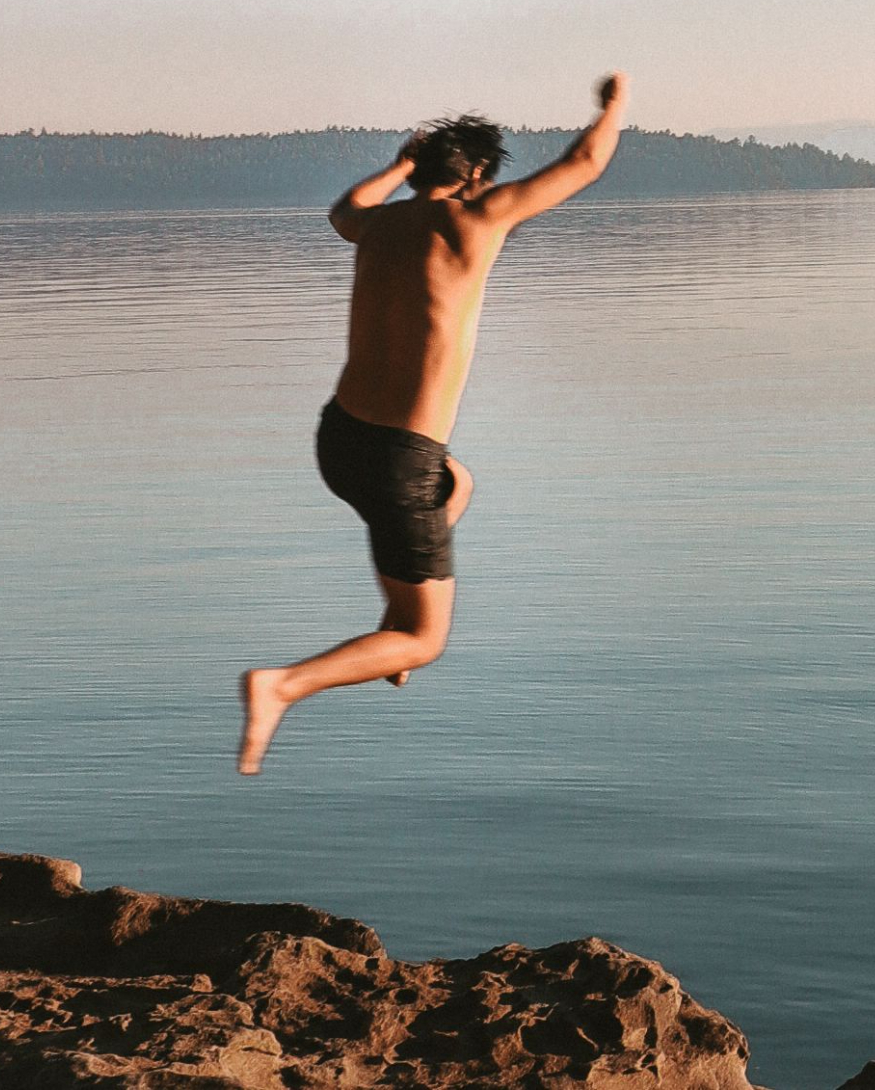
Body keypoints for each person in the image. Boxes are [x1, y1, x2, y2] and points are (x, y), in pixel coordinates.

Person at [237, 74, 628, 774]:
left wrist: (397, 166)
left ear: (421, 171)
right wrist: (615, 104)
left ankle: (391, 630)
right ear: (476, 175)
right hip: (399, 462)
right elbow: (586, 163)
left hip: (340, 440)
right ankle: (285, 684)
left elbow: (343, 208)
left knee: (462, 485)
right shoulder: (475, 221)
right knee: (427, 638)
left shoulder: (378, 225)